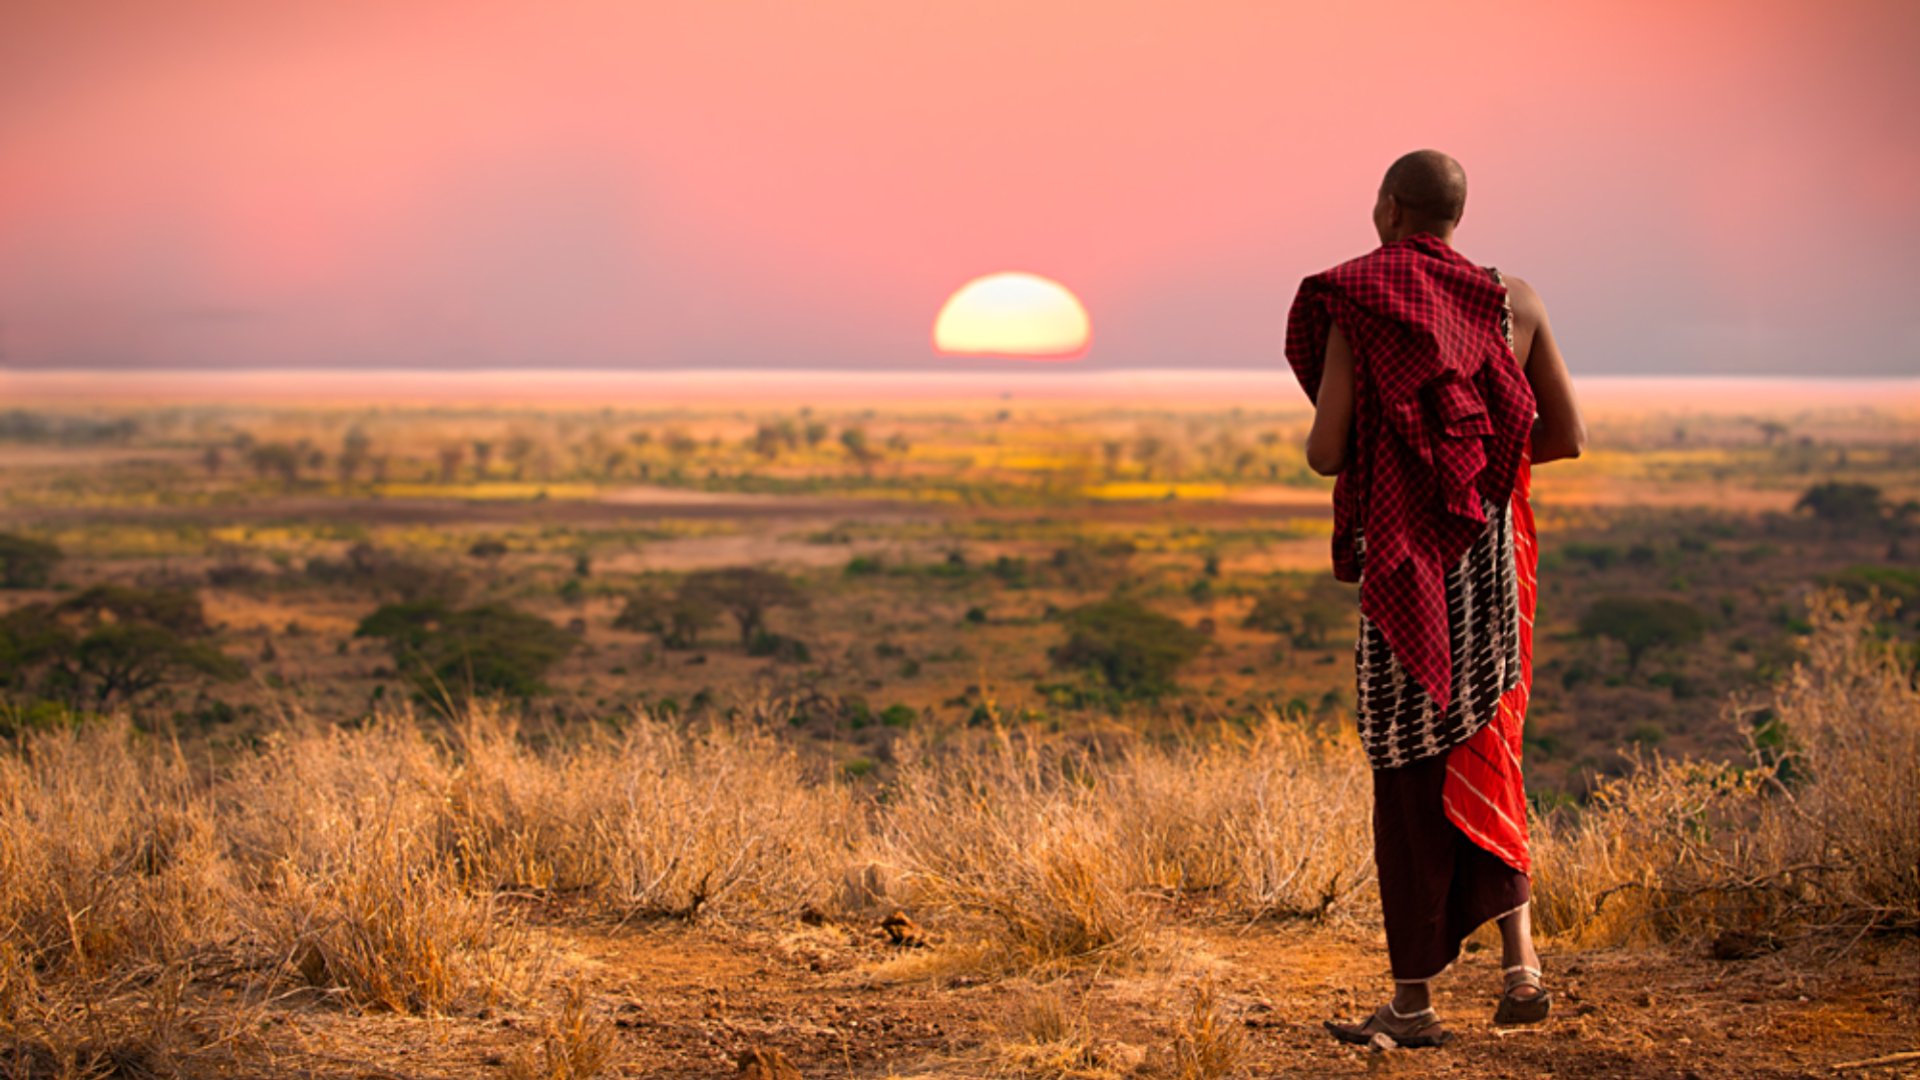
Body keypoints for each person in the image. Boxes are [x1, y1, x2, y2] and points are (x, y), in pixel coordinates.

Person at [1285, 150, 1587, 1048]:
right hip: (1486, 561)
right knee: (1487, 745)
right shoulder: (1515, 301)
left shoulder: (1357, 303)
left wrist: (1412, 472)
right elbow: (1564, 434)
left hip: (1405, 570)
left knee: (1409, 769)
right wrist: (1471, 468)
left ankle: (1412, 1003)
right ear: (1456, 214)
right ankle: (1521, 966)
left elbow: (1326, 451)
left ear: (1387, 209)